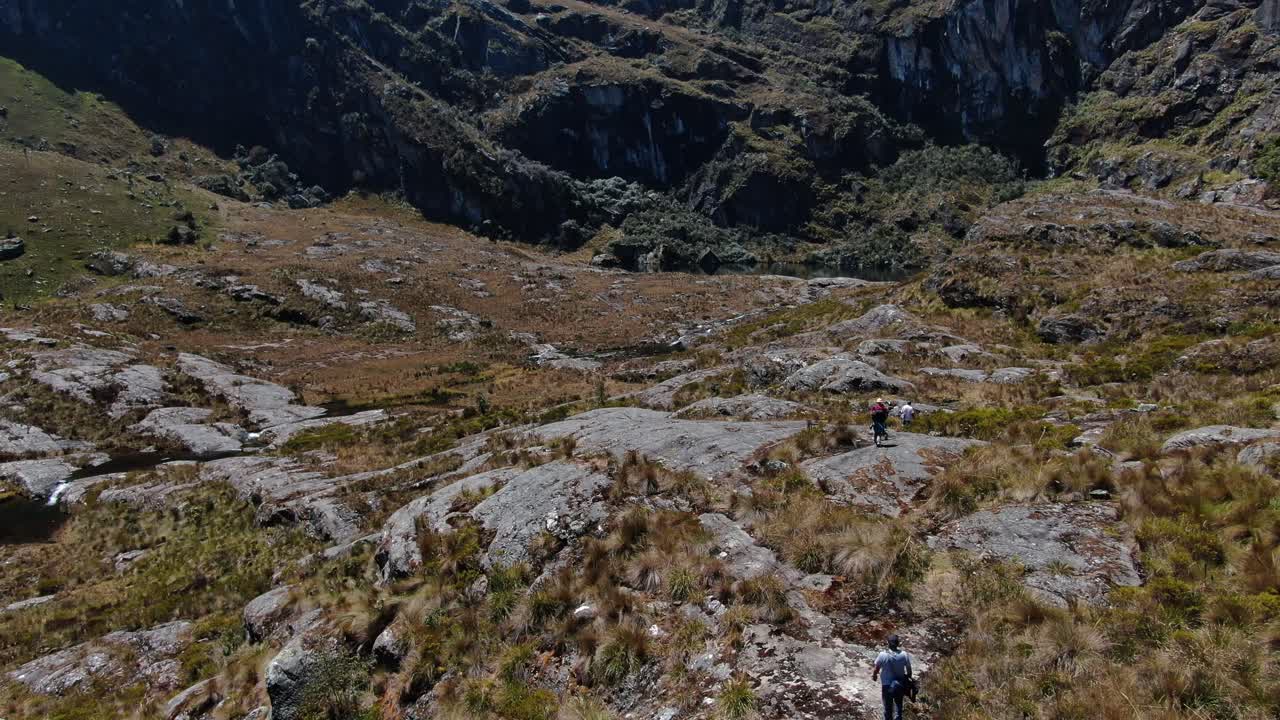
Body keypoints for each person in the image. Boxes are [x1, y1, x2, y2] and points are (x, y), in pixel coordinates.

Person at [872, 634, 913, 720]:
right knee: (899, 708)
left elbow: (876, 668)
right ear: (898, 643)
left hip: (887, 685)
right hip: (900, 684)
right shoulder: (904, 654)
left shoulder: (882, 655)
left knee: (888, 709)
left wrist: (874, 676)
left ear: (888, 643)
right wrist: (908, 679)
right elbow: (909, 670)